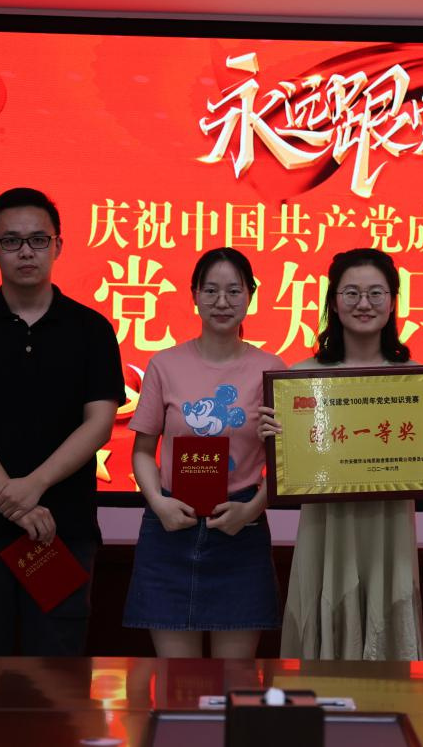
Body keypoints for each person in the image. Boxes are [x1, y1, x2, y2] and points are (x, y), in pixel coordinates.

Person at [0, 187, 125, 655]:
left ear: (58, 245)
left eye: (38, 240)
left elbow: (99, 425)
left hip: (61, 531)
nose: (25, 251)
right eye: (11, 241)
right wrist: (15, 502)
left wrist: (32, 487)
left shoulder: (92, 330)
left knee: (56, 677)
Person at [261, 247, 423, 661]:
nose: (364, 304)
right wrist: (275, 438)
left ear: (393, 302)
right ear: (334, 303)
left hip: (388, 529)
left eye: (376, 293)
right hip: (326, 529)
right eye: (351, 293)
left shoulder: (416, 383)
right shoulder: (300, 379)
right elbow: (293, 464)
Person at [123, 247, 283, 657]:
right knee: (177, 680)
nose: (222, 301)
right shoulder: (164, 364)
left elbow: (286, 458)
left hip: (240, 527)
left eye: (234, 290)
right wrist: (157, 502)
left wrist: (253, 510)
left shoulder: (272, 369)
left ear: (250, 296)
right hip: (171, 524)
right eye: (210, 290)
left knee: (236, 678)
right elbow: (143, 451)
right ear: (194, 295)